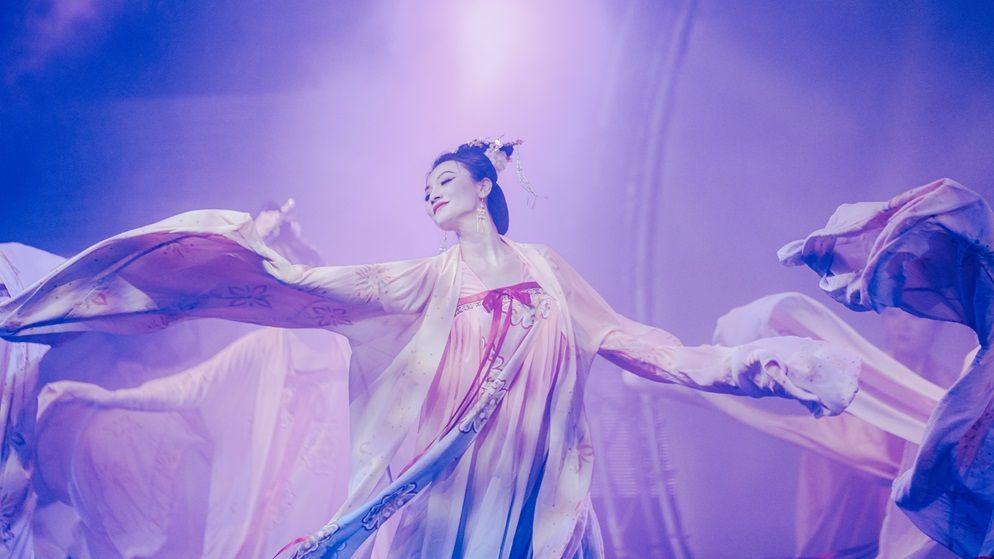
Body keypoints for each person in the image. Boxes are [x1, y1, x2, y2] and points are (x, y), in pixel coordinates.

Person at [0, 138, 860, 559]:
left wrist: (748, 366)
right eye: (423, 190)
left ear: (485, 184)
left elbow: (643, 346)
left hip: (531, 509)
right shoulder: (427, 278)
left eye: (443, 181)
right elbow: (313, 293)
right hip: (443, 511)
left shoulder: (549, 273)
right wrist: (223, 265)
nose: (430, 196)